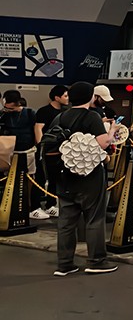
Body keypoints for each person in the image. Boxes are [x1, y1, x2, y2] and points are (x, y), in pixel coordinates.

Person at [53, 81, 117, 275]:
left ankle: (64, 264)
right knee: (94, 218)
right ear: (90, 97)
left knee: (66, 220)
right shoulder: (92, 117)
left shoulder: (60, 117)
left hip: (64, 174)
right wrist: (112, 131)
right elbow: (102, 143)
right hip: (90, 176)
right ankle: (96, 261)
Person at [2, 89, 42, 218]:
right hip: (9, 150)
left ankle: (29, 204)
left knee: (30, 176)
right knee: (9, 178)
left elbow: (36, 130)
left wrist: (38, 145)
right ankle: (9, 204)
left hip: (28, 149)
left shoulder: (30, 113)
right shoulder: (3, 115)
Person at [33, 84, 68, 217]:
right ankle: (35, 207)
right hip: (45, 151)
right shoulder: (44, 111)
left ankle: (50, 205)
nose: (67, 98)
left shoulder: (65, 112)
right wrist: (41, 146)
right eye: (65, 95)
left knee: (55, 179)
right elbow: (38, 128)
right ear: (56, 97)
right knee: (40, 179)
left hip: (59, 151)